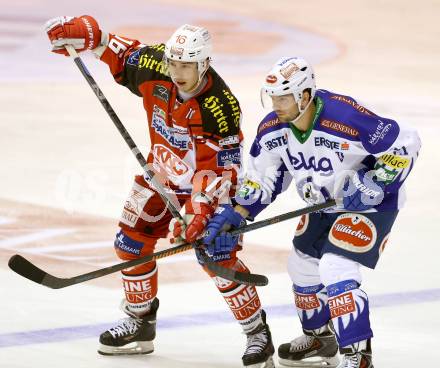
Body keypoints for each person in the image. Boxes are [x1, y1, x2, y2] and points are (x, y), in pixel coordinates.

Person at [45, 15, 275, 367]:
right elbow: (121, 52)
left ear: (205, 63)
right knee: (130, 241)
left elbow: (222, 168)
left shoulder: (220, 105)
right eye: (174, 62)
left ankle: (256, 332)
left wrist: (199, 212)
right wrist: (90, 35)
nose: (178, 71)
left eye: (187, 65)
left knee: (216, 256)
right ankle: (140, 321)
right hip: (161, 174)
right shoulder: (155, 65)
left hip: (207, 184)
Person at [203, 56, 421, 368]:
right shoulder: (272, 130)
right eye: (273, 97)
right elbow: (263, 178)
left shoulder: (344, 116)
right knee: (301, 266)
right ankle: (320, 338)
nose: (276, 105)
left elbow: (406, 142)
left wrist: (374, 181)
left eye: (284, 97)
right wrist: (236, 212)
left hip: (371, 205)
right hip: (322, 204)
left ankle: (358, 356)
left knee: (335, 268)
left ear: (305, 95)